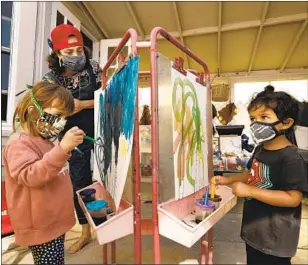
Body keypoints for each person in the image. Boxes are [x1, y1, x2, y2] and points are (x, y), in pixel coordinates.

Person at [212, 85, 308, 265]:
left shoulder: (291, 158)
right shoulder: (260, 148)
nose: (256, 124)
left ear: (286, 122)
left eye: (264, 117)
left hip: (276, 239)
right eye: (253, 119)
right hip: (255, 232)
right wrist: (228, 179)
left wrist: (250, 191)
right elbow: (252, 173)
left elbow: (293, 198)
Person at [3, 82, 85, 265]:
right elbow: (31, 175)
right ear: (33, 109)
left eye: (65, 117)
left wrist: (63, 148)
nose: (62, 122)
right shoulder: (18, 143)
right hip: (41, 225)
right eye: (57, 115)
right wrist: (62, 149)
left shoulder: (44, 139)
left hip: (53, 220)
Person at [42, 24, 102, 253]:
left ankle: (104, 221)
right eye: (69, 53)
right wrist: (64, 112)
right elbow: (48, 121)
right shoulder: (49, 81)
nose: (77, 57)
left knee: (106, 178)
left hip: (100, 129)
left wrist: (82, 105)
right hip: (73, 140)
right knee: (80, 185)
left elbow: (107, 98)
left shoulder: (93, 68)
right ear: (57, 53)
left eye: (79, 50)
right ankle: (86, 230)